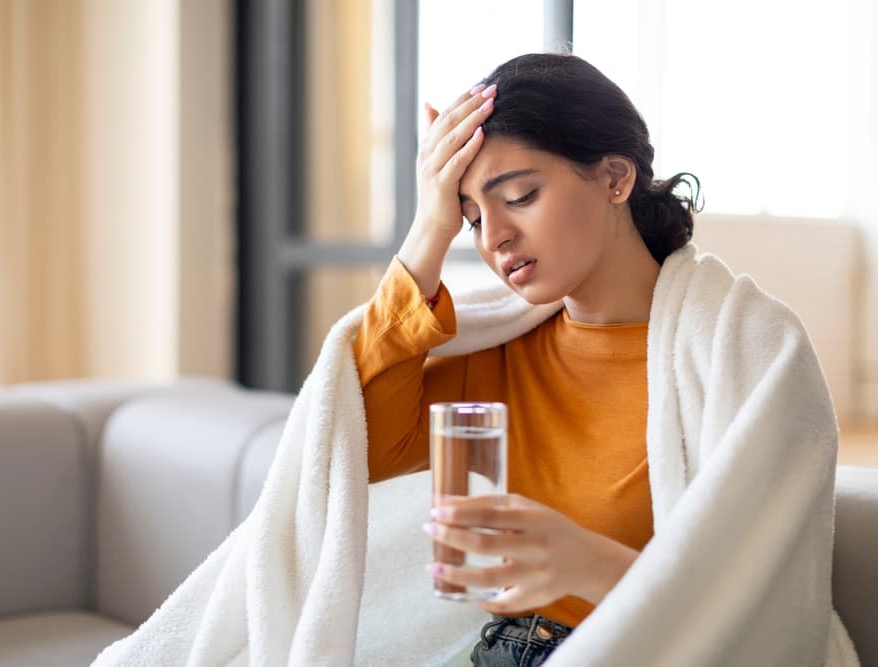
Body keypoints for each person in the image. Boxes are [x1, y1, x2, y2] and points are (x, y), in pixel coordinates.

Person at [353, 52, 840, 666]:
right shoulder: (501, 358)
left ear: (615, 177)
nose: (492, 238)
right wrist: (427, 230)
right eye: (471, 218)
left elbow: (767, 606)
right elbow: (358, 445)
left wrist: (592, 565)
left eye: (521, 195)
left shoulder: (745, 346)